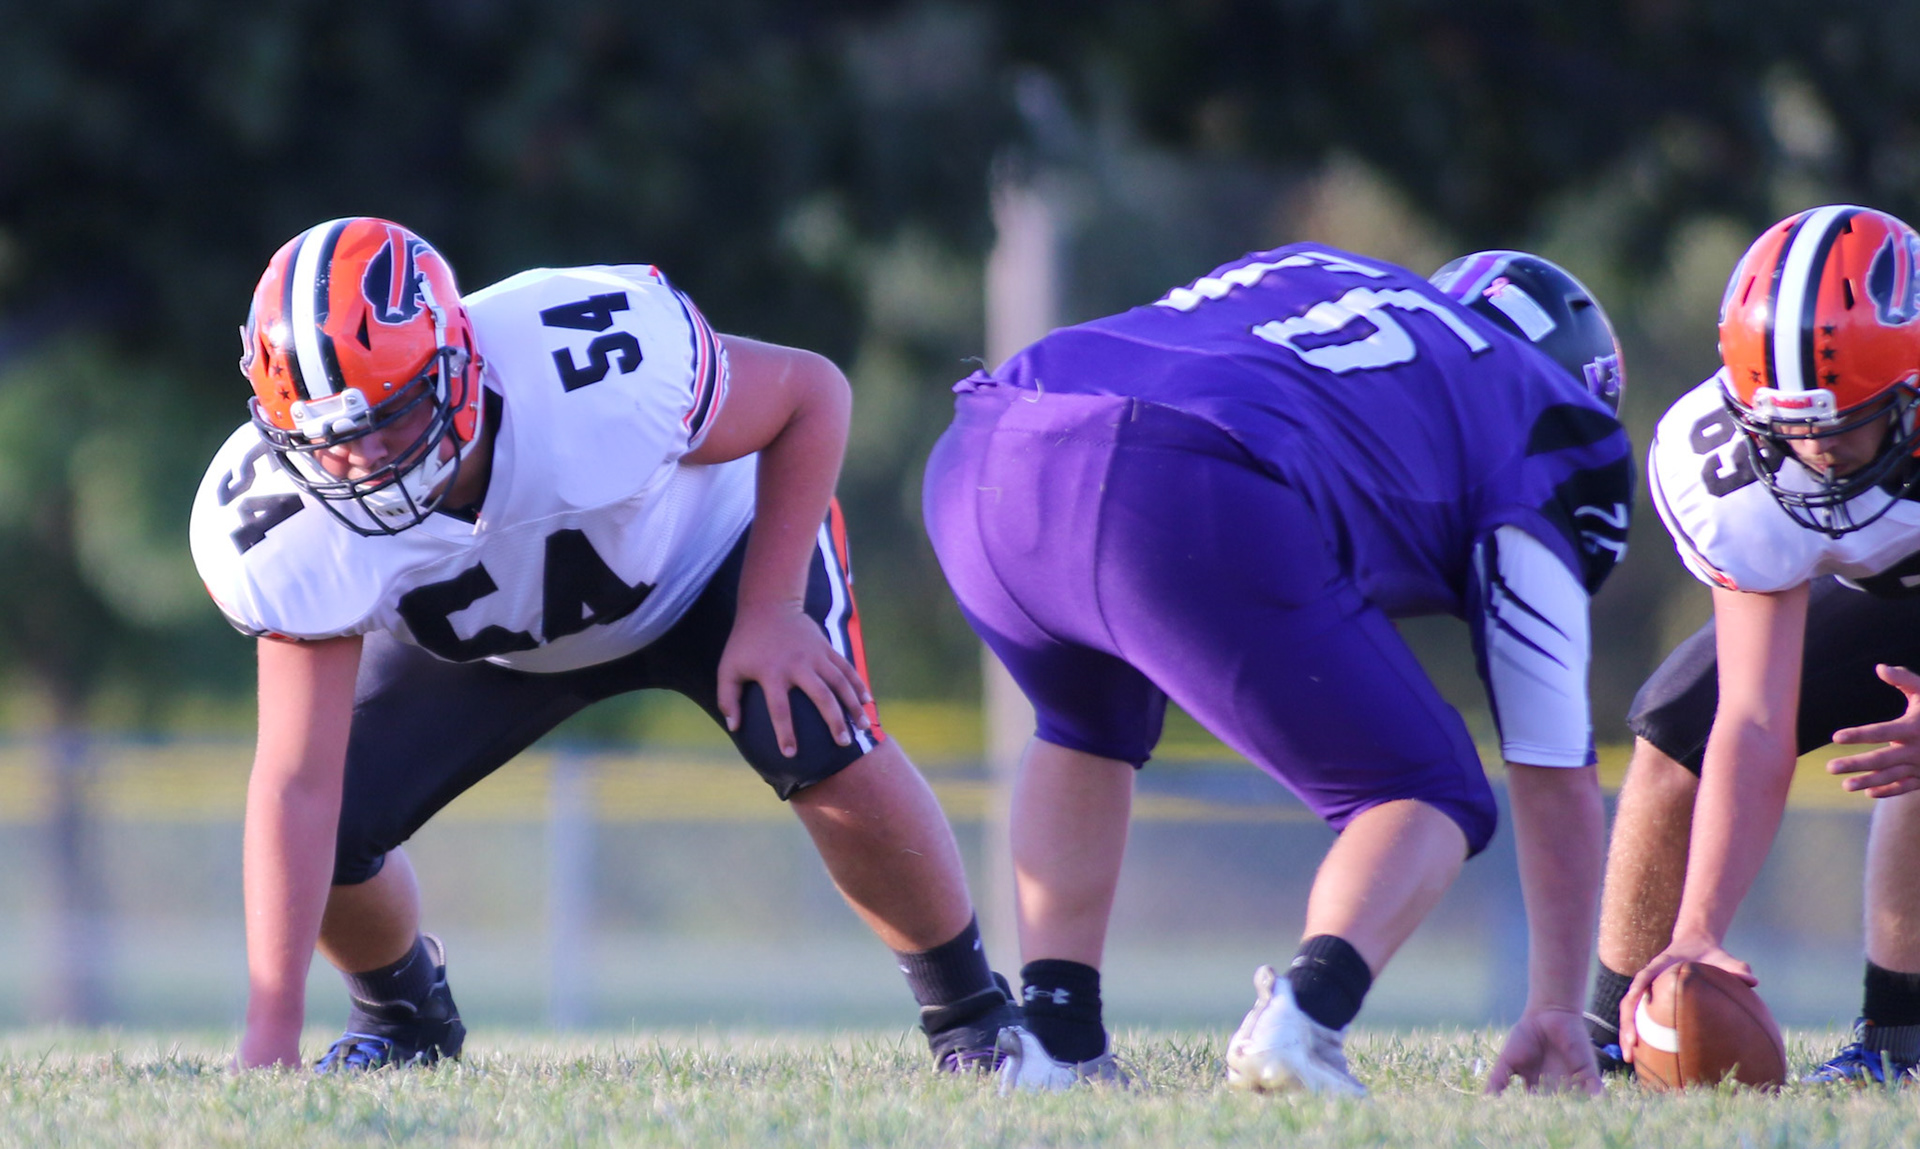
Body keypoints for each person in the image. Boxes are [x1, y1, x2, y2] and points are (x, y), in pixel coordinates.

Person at [188, 217, 1014, 1072]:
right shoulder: (283, 521)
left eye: (390, 421)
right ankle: (403, 1020)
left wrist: (771, 608)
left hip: (703, 558)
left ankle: (977, 1017)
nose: (363, 463)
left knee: (809, 727)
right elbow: (295, 783)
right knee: (336, 823)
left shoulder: (596, 366)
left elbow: (811, 395)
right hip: (499, 639)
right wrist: (270, 1029)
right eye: (328, 443)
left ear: (457, 363)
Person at [921, 244, 1634, 1095]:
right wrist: (1558, 1002)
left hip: (985, 446)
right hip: (1168, 478)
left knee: (1084, 724)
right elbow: (1551, 762)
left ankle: (1056, 1043)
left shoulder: (1324, 271)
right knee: (1429, 788)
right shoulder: (1542, 416)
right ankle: (1303, 1020)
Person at [1602, 205, 1920, 1084]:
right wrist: (1700, 926)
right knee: (1682, 723)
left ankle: (1902, 1044)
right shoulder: (1733, 457)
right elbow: (1752, 716)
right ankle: (1612, 1026)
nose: (1817, 452)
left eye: (1846, 423)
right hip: (1893, 579)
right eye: (1791, 428)